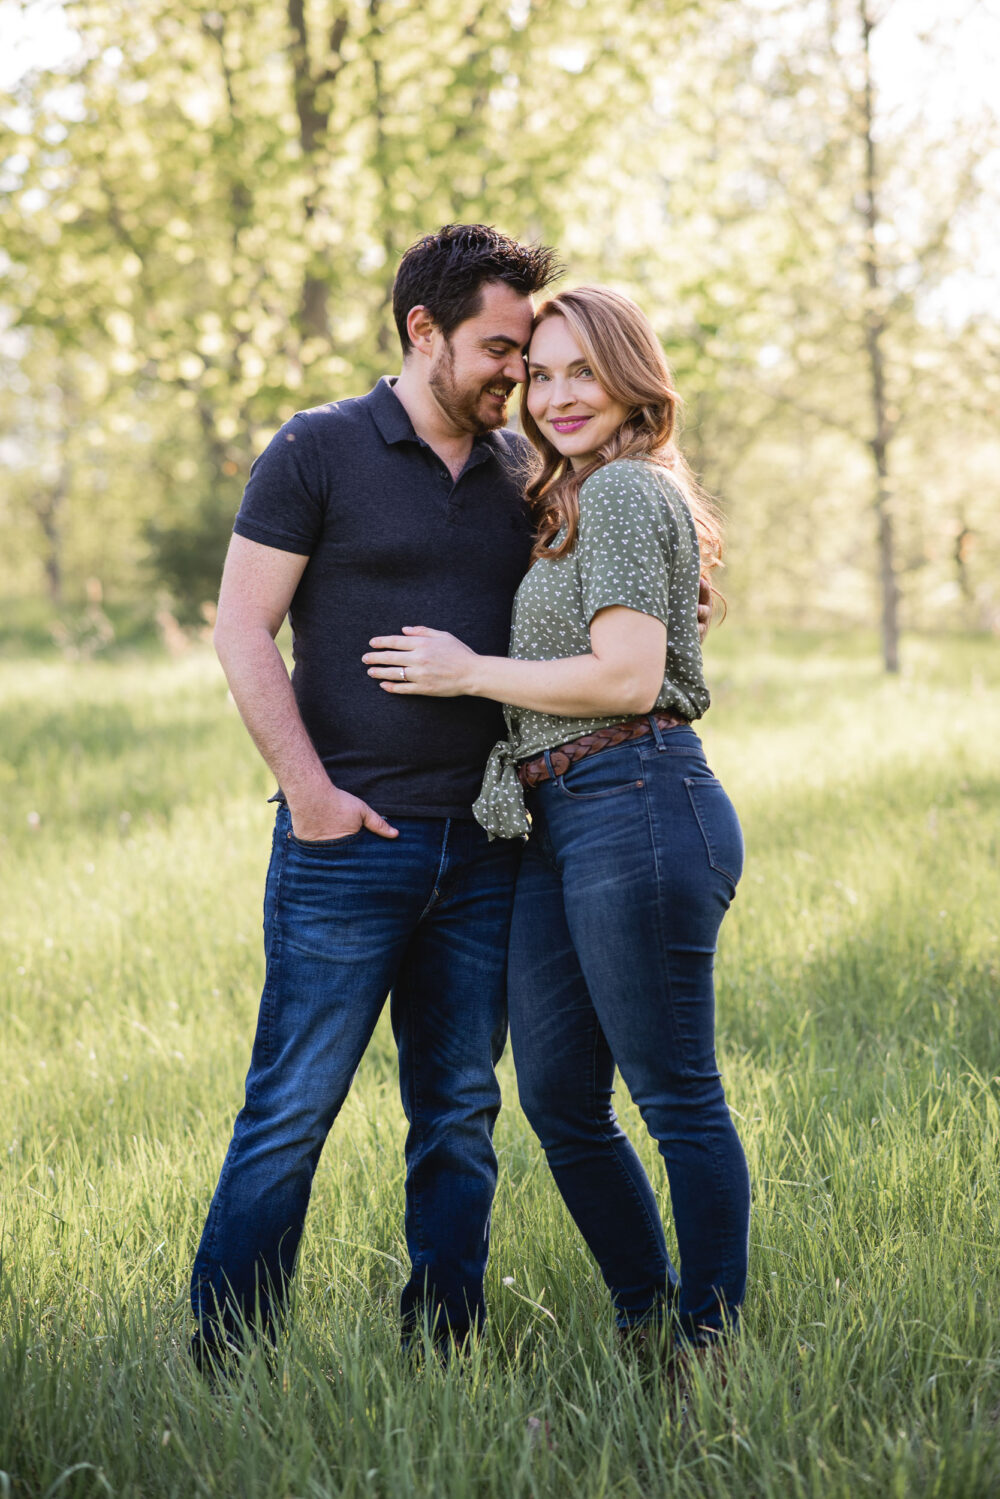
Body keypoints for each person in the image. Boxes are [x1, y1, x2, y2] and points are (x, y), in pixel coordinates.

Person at [189, 224, 562, 1364]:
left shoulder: (522, 473)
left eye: (525, 352)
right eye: (499, 348)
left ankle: (444, 1346)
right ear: (423, 330)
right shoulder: (317, 448)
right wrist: (308, 794)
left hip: (485, 846)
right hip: (344, 843)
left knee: (458, 1113)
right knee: (291, 1107)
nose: (518, 373)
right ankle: (228, 1359)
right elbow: (241, 628)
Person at [362, 285, 750, 1368]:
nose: (557, 394)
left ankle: (710, 1344)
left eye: (584, 370)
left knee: (676, 1095)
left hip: (637, 802)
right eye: (539, 373)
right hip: (559, 815)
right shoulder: (579, 496)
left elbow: (626, 678)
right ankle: (646, 1320)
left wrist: (465, 671)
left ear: (632, 378)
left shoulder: (622, 489)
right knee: (561, 1099)